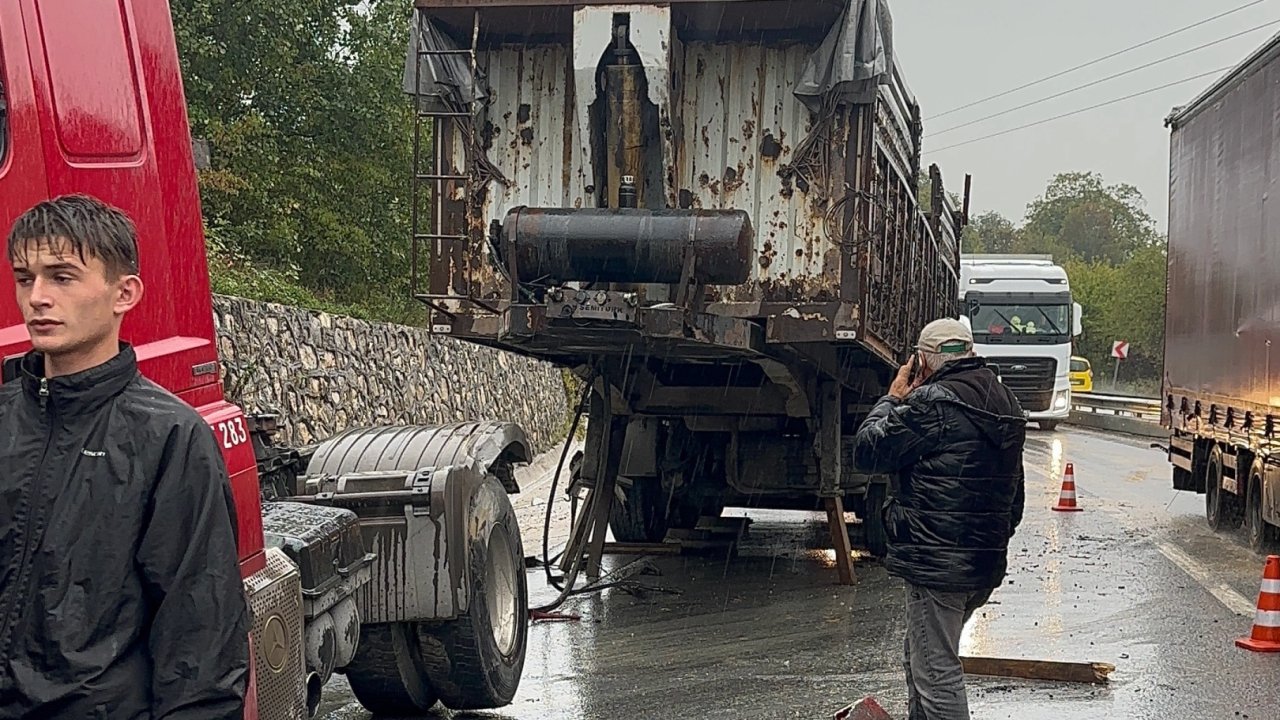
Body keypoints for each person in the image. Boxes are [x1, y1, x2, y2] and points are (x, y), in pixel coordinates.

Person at [0, 195, 250, 718]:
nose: (37, 298)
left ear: (124, 293)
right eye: (26, 278)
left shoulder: (169, 439)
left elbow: (199, 639)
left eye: (62, 277)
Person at [852, 318, 1027, 720]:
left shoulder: (932, 404)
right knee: (922, 658)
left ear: (921, 362)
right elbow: (1015, 496)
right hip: (981, 562)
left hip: (937, 566)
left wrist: (893, 397)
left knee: (936, 673)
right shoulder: (1005, 402)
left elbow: (867, 451)